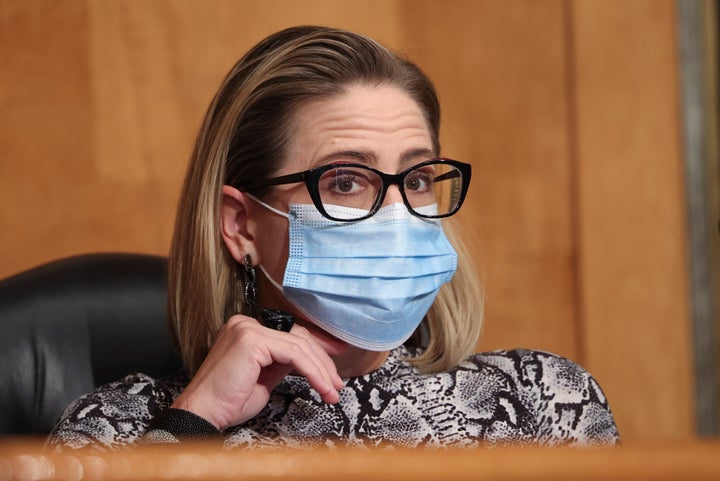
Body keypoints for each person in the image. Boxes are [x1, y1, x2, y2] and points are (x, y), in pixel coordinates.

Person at [48, 26, 619, 449]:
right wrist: (193, 422)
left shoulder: (546, 400)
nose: (398, 215)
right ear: (240, 225)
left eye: (417, 178)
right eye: (345, 181)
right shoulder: (118, 428)